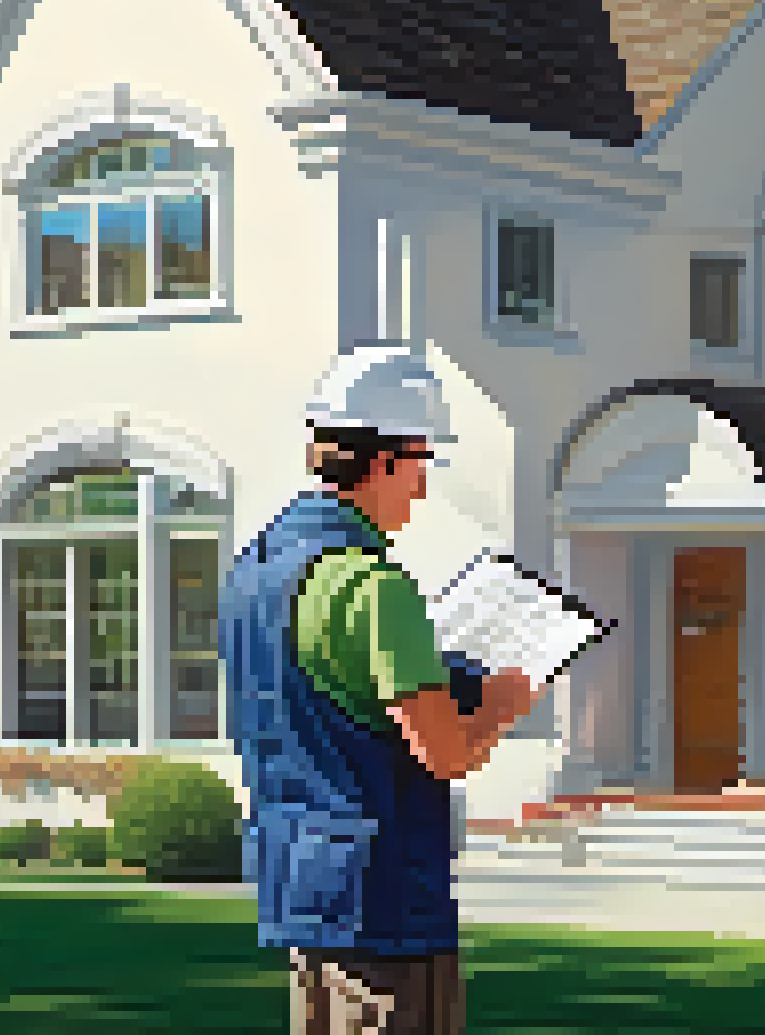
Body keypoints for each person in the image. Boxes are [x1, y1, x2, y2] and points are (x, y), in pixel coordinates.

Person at [220, 344, 542, 1035]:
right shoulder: (374, 588)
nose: (422, 488)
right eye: (422, 465)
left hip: (302, 891)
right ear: (389, 459)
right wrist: (502, 705)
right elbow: (446, 753)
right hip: (388, 906)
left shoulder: (254, 573)